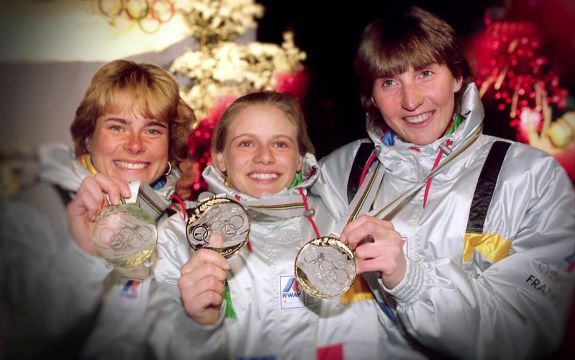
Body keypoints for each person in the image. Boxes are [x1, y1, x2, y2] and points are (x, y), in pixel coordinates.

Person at [312, 7, 575, 359]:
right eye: (389, 82)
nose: (411, 101)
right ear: (371, 97)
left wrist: (409, 280)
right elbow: (294, 295)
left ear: (457, 77)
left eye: (425, 73)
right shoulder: (338, 175)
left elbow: (524, 330)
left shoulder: (532, 178)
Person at [147, 91, 420, 359]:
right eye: (246, 143)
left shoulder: (343, 224)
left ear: (301, 157)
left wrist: (404, 279)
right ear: (220, 157)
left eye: (280, 144)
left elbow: (399, 336)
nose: (264, 157)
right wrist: (198, 325)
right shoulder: (180, 237)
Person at [0, 59, 196, 359]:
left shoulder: (179, 225)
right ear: (88, 137)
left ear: (169, 145)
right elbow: (21, 343)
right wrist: (84, 256)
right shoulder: (35, 210)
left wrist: (204, 322)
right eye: (118, 127)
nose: (135, 145)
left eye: (153, 130)